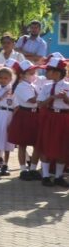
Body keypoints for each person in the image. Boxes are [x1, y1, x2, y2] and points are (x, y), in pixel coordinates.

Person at [36, 55, 68, 187]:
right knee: (46, 145)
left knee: (63, 146)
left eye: (48, 70)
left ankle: (59, 176)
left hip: (65, 117)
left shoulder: (68, 86)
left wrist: (66, 98)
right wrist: (52, 98)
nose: (46, 72)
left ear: (57, 72)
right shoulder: (46, 86)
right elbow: (39, 104)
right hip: (50, 117)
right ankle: (45, 175)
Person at [8, 61, 42, 179]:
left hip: (35, 115)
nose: (34, 74)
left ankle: (33, 168)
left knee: (37, 144)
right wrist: (47, 95)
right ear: (22, 75)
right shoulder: (21, 86)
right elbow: (32, 100)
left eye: (34, 72)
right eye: (30, 72)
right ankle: (23, 170)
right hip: (24, 114)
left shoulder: (34, 85)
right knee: (22, 144)